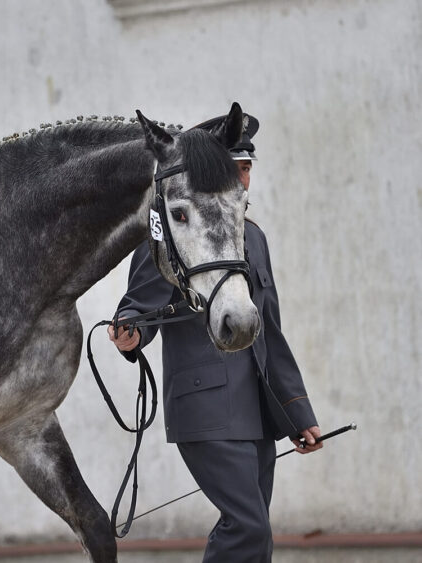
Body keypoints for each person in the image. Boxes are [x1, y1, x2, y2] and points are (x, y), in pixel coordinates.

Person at [108, 113, 322, 562]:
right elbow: (139, 303)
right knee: (247, 528)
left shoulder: (254, 238)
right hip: (204, 404)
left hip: (257, 410)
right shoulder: (179, 232)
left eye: (247, 168)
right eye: (235, 167)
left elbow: (271, 334)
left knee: (254, 534)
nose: (244, 176)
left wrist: (297, 411)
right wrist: (132, 331)